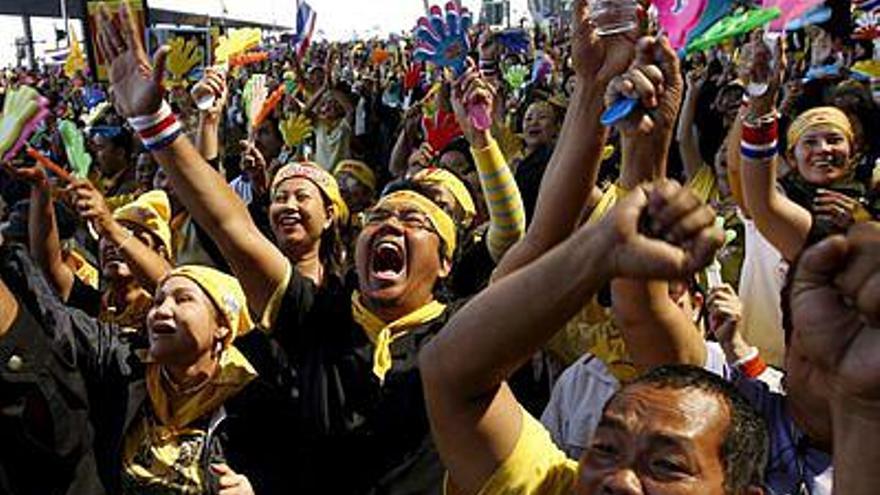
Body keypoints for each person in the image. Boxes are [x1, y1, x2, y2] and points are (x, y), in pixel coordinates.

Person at [97, 7, 465, 491]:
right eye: (380, 217)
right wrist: (154, 122)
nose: (391, 224)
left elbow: (537, 243)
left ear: (445, 261)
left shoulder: (464, 332)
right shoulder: (321, 319)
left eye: (414, 221)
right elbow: (229, 225)